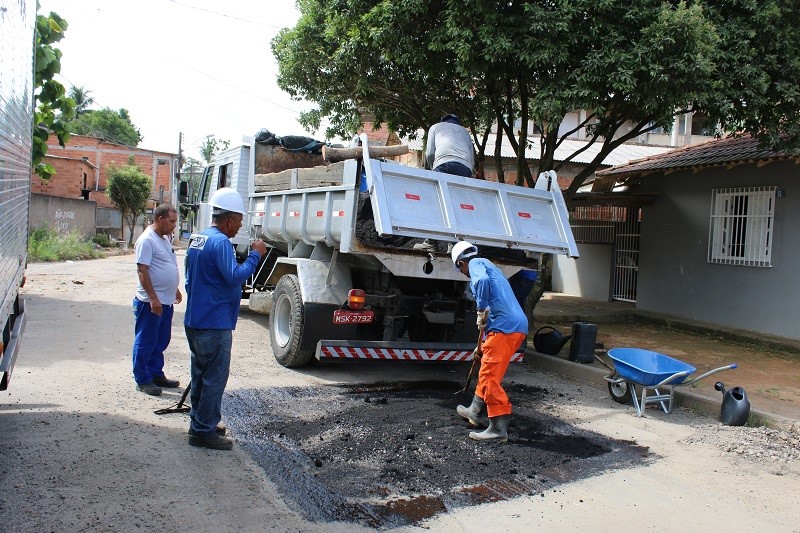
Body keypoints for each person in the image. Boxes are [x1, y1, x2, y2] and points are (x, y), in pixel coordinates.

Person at [184, 187, 267, 450]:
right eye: (239, 223)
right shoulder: (220, 243)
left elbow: (190, 277)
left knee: (200, 374)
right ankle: (203, 431)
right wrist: (256, 255)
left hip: (196, 319)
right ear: (229, 219)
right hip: (214, 322)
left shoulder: (198, 238)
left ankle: (200, 421)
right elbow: (234, 276)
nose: (239, 228)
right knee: (214, 378)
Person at [452, 241, 528, 442]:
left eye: (461, 270)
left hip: (505, 328)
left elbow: (482, 282)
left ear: (461, 262)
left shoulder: (477, 264)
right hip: (509, 327)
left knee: (490, 377)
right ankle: (475, 411)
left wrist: (480, 309)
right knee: (486, 370)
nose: (465, 274)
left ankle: (497, 428)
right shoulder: (489, 265)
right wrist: (482, 346)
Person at [132, 203, 182, 396]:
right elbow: (142, 271)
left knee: (161, 340)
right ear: (160, 219)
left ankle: (155, 373)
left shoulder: (164, 238)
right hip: (150, 303)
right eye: (172, 221)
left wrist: (174, 289)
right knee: (146, 340)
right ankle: (142, 379)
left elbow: (165, 265)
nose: (174, 226)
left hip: (165, 301)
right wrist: (153, 298)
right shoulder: (147, 240)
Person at [414, 113, 475, 253]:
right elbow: (472, 160)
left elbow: (429, 154)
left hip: (443, 164)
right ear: (457, 123)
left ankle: (430, 242)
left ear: (444, 121)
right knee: (457, 206)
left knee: (436, 203)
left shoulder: (435, 127)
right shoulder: (465, 133)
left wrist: (432, 170)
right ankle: (453, 246)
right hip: (464, 168)